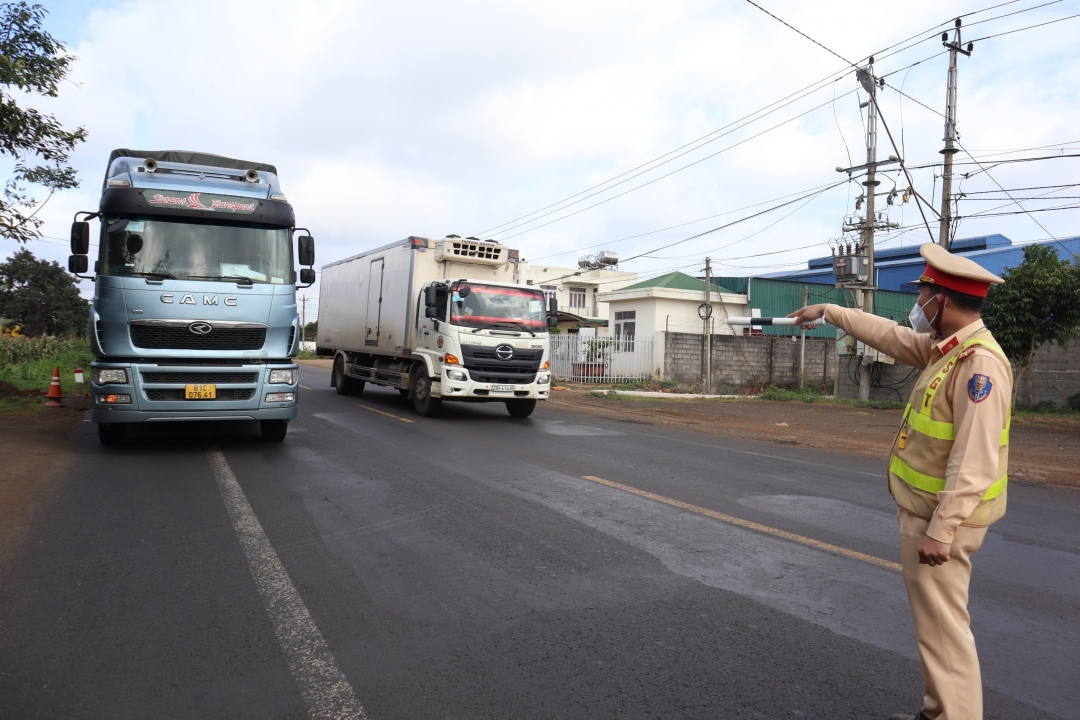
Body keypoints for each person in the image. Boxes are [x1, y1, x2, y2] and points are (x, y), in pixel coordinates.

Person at [789, 243, 1011, 720]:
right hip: (929, 513)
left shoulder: (979, 365)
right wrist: (829, 311)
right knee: (934, 628)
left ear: (942, 301)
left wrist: (942, 530)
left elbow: (974, 461)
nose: (918, 304)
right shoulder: (947, 350)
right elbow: (889, 335)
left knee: (944, 630)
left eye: (923, 294)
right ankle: (938, 710)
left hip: (943, 520)